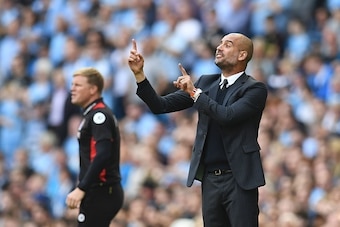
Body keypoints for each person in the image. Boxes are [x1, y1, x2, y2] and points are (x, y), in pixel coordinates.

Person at [128, 33, 268, 227]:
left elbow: (227, 116)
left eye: (227, 45)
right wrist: (140, 75)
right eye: (219, 44)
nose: (219, 48)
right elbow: (160, 105)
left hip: (239, 179)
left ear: (242, 55)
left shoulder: (254, 89)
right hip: (210, 179)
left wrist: (194, 93)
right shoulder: (205, 83)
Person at [65, 67, 123, 226]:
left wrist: (82, 188)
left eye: (78, 85)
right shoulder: (91, 114)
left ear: (93, 89)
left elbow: (103, 154)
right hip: (100, 190)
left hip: (102, 190)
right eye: (72, 84)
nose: (72, 89)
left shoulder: (100, 116)